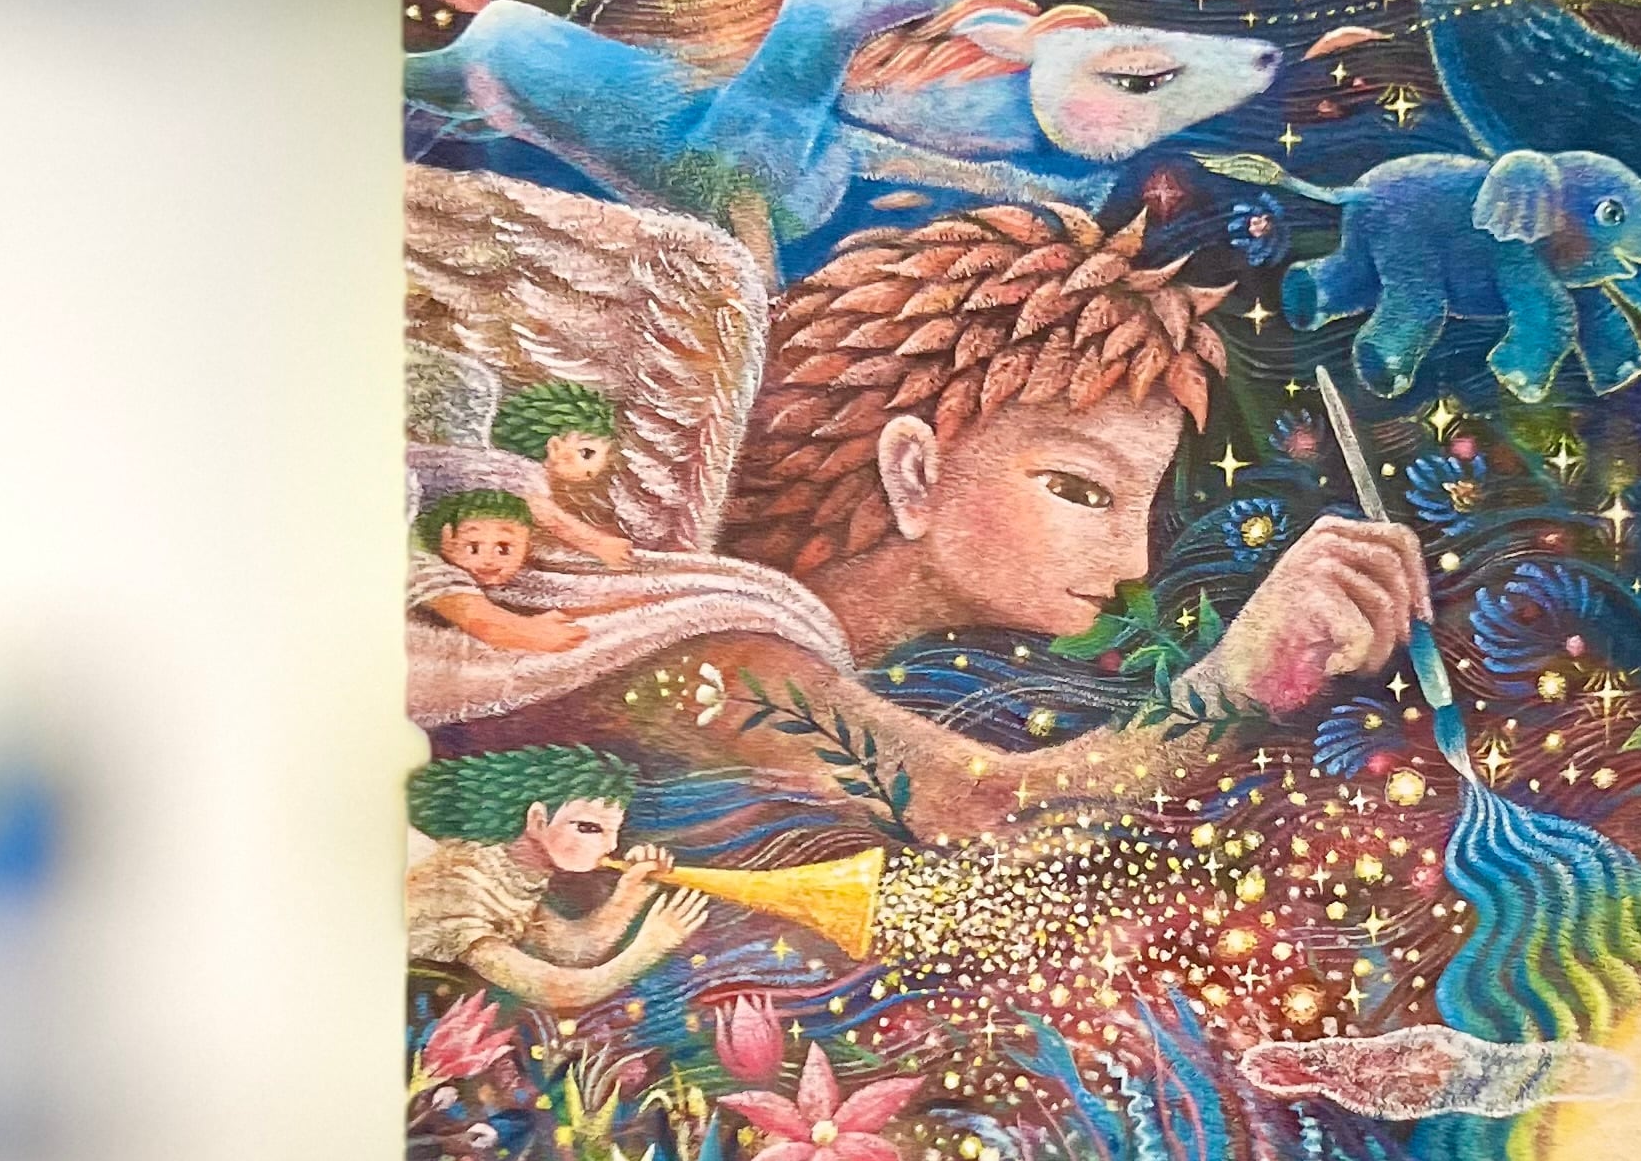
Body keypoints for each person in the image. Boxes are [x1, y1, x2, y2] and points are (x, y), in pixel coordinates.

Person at [603, 200, 1427, 840]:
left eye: (1141, 508)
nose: (1134, 564)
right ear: (914, 473)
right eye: (1082, 490)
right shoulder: (710, 649)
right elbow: (992, 811)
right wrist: (1236, 682)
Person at [405, 744, 708, 1009]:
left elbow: (570, 950)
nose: (611, 846)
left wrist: (631, 892)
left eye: (613, 831)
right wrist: (650, 947)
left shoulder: (509, 876)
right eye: (589, 828)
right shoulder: (461, 887)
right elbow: (557, 989)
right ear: (537, 820)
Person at [409, 491, 586, 657]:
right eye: (474, 548)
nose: (488, 560)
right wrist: (529, 631)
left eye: (503, 549)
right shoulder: (421, 562)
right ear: (448, 542)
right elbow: (486, 624)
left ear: (527, 547)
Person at [487, 377, 635, 568]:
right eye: (586, 453)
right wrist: (599, 544)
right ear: (555, 447)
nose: (593, 471)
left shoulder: (514, 468)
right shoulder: (522, 476)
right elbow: (552, 518)